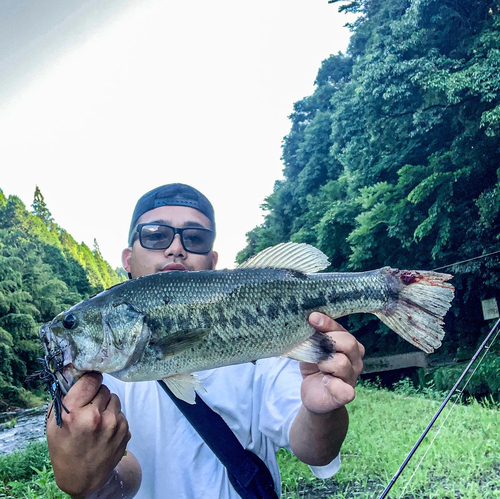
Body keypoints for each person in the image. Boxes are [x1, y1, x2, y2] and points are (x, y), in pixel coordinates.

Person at [46, 183, 365, 499]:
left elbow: (315, 450)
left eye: (194, 238)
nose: (175, 248)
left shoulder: (270, 342)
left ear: (212, 263)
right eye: (155, 235)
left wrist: (322, 409)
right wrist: (87, 477)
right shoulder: (98, 385)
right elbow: (127, 475)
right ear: (128, 259)